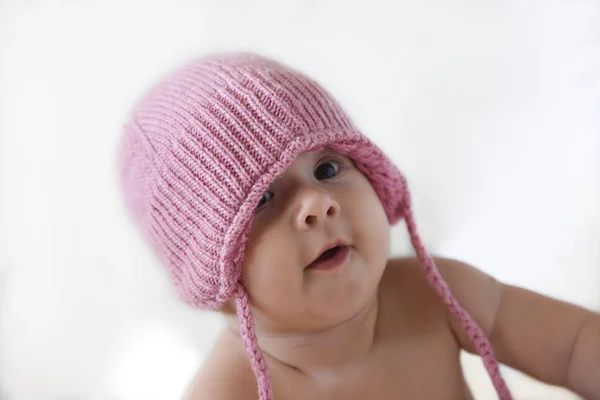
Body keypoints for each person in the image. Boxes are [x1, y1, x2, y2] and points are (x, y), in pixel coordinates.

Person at [116, 52, 600, 400]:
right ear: (217, 278)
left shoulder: (436, 295)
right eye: (261, 199)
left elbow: (575, 345)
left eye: (328, 168)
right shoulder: (233, 390)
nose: (318, 204)